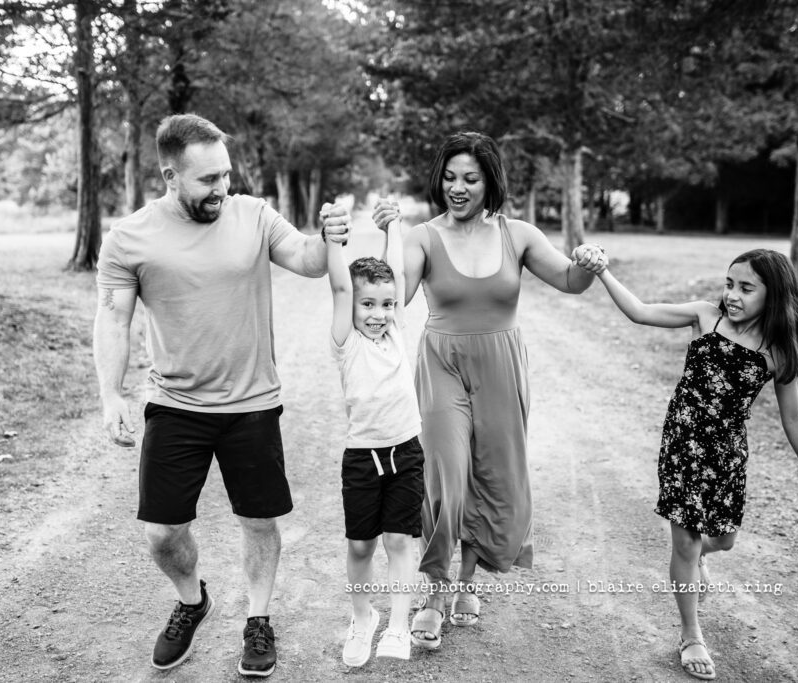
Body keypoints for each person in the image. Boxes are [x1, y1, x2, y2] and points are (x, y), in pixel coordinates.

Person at [92, 113, 351, 678]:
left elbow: (307, 261)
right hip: (175, 404)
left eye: (226, 175)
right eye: (208, 179)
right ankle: (191, 600)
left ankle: (258, 619)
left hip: (252, 404)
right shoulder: (129, 238)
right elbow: (114, 319)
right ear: (169, 176)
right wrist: (111, 394)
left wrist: (328, 238)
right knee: (163, 534)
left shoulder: (253, 215)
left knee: (259, 521)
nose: (222, 188)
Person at [372, 132, 607, 649]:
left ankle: (467, 583)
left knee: (493, 473)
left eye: (470, 179)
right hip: (442, 363)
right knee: (445, 474)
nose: (458, 188)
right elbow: (396, 297)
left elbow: (569, 280)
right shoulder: (423, 237)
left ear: (489, 182)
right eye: (450, 177)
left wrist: (588, 266)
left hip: (502, 364)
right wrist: (389, 236)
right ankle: (435, 592)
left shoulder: (517, 234)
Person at [594, 248, 798, 681]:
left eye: (745, 288)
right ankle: (691, 634)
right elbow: (640, 311)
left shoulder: (777, 352)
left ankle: (699, 558)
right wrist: (603, 271)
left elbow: (792, 417)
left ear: (773, 295)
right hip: (683, 446)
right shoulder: (707, 318)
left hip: (727, 456)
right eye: (729, 284)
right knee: (683, 543)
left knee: (723, 541)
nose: (732, 295)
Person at [324, 205, 423, 666]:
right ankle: (363, 619)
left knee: (400, 541)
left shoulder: (397, 331)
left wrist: (393, 226)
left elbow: (398, 272)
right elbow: (342, 283)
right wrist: (332, 239)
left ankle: (399, 625)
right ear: (352, 307)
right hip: (363, 457)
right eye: (369, 304)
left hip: (405, 449)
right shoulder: (347, 341)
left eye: (386, 304)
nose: (379, 314)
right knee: (362, 545)